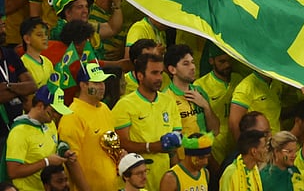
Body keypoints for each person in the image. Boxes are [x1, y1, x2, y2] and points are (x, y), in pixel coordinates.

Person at [112, 52, 184, 191]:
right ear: (140, 76)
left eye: (161, 73)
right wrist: (151, 147)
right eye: (154, 73)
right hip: (136, 178)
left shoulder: (169, 102)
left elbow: (176, 137)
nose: (159, 78)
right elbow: (122, 143)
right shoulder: (124, 105)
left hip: (164, 176)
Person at [57, 62, 118, 191]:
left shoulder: (105, 109)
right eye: (96, 83)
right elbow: (71, 161)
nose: (102, 87)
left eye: (103, 82)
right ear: (83, 85)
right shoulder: (72, 116)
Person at [5, 85, 77, 191]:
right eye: (52, 111)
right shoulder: (19, 132)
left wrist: (64, 152)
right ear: (40, 105)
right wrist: (46, 162)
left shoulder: (50, 124)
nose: (55, 116)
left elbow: (54, 145)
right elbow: (13, 171)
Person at [164, 44, 220, 140]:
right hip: (183, 153)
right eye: (186, 64)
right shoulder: (165, 97)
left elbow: (215, 131)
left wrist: (206, 106)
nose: (192, 67)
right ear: (172, 69)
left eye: (193, 62)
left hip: (204, 152)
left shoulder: (199, 91)